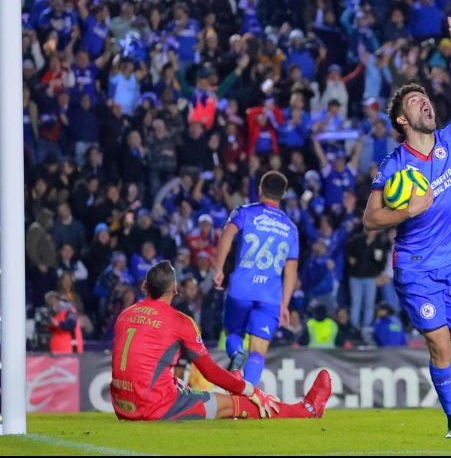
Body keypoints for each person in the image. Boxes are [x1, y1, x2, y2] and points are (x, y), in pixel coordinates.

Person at [363, 17, 451, 439]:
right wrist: (407, 211)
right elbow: (370, 219)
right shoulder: (393, 166)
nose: (425, 104)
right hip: (416, 267)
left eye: (425, 98)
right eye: (415, 101)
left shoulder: (450, 142)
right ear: (401, 120)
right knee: (440, 345)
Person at [111, 261, 331, 421]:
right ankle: (307, 410)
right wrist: (250, 390)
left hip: (122, 406)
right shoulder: (179, 321)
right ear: (175, 289)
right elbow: (211, 373)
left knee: (180, 385)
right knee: (238, 404)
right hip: (153, 409)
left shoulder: (125, 314)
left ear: (145, 287)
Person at [213, 171, 299, 388]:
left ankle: (236, 352)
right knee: (258, 352)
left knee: (233, 333)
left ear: (260, 189)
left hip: (242, 288)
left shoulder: (244, 212)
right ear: (283, 195)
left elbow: (227, 234)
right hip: (270, 296)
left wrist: (219, 268)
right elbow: (291, 269)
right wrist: (285, 304)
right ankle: (247, 396)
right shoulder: (290, 228)